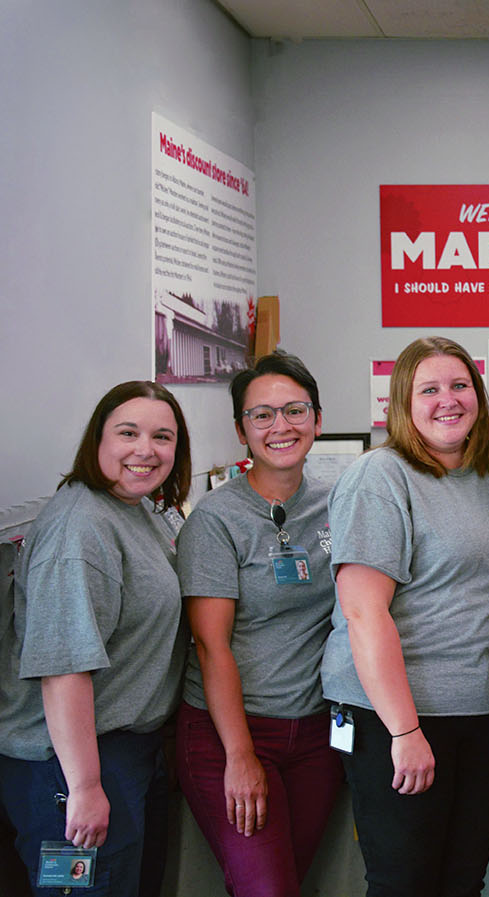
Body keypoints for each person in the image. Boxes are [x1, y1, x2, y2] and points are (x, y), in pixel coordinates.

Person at [322, 336, 489, 897]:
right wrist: (404, 731)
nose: (447, 400)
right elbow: (363, 613)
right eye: (428, 389)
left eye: (460, 385)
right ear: (401, 405)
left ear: (479, 396)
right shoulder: (380, 477)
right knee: (403, 884)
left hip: (484, 712)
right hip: (397, 717)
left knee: (463, 882)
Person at [0, 381, 192, 897]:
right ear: (97, 441)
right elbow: (63, 666)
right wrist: (84, 787)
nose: (145, 450)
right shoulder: (79, 528)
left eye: (162, 436)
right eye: (127, 433)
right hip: (68, 764)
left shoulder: (137, 509)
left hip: (126, 750)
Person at [174, 352, 342, 896]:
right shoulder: (216, 520)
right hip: (234, 733)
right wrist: (240, 756)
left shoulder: (339, 503)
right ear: (241, 431)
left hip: (317, 733)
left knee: (285, 880)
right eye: (262, 415)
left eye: (295, 410)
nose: (280, 427)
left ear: (317, 419)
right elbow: (209, 644)